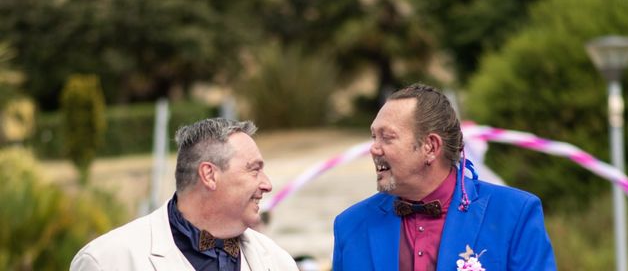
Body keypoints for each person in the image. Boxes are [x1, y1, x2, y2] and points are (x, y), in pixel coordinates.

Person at [332, 83, 557, 271]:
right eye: (373, 137)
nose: (374, 149)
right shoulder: (350, 226)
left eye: (387, 137)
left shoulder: (514, 214)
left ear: (430, 147)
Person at [70, 118, 299, 271]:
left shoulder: (279, 262)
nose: (267, 184)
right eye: (254, 170)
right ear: (209, 175)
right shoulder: (107, 262)